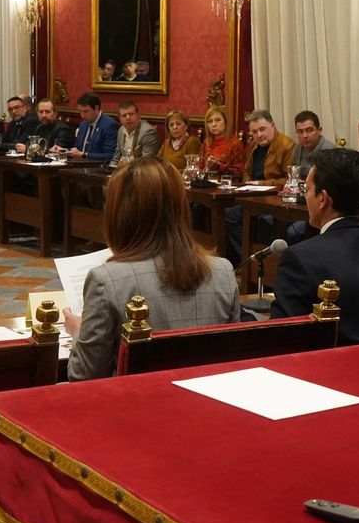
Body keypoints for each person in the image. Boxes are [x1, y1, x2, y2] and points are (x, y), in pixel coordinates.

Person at [65, 157, 238, 380]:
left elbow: (84, 376)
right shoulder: (223, 271)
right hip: (206, 406)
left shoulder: (106, 280)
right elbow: (234, 364)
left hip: (136, 408)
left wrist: (78, 331)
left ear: (119, 214)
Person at [271, 148, 359, 345]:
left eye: (307, 190)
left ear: (323, 199)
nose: (305, 197)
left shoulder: (299, 259)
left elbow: (283, 339)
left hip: (325, 372)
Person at [222, 109, 296, 265]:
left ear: (273, 126)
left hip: (274, 201)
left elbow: (289, 180)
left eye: (262, 129)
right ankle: (247, 260)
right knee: (226, 215)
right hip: (252, 198)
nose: (259, 135)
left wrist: (261, 184)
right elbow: (247, 172)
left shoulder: (287, 146)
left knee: (264, 221)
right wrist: (249, 184)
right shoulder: (253, 146)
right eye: (254, 132)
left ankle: (258, 263)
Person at [67, 92, 118, 162]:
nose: (82, 116)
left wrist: (85, 155)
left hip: (97, 169)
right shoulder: (83, 124)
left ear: (96, 108)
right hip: (79, 166)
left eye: (86, 111)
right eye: (80, 111)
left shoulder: (109, 125)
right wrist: (65, 150)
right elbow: (78, 148)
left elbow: (110, 155)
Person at [199, 105, 244, 178]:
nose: (214, 124)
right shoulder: (206, 143)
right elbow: (199, 167)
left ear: (225, 122)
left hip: (227, 185)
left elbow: (239, 173)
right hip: (207, 184)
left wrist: (218, 167)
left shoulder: (235, 144)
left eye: (218, 120)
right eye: (210, 121)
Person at [112, 100, 159, 165]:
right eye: (124, 115)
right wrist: (110, 172)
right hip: (123, 171)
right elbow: (116, 158)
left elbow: (147, 163)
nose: (128, 118)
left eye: (131, 114)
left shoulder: (148, 132)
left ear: (138, 115)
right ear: (119, 118)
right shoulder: (121, 130)